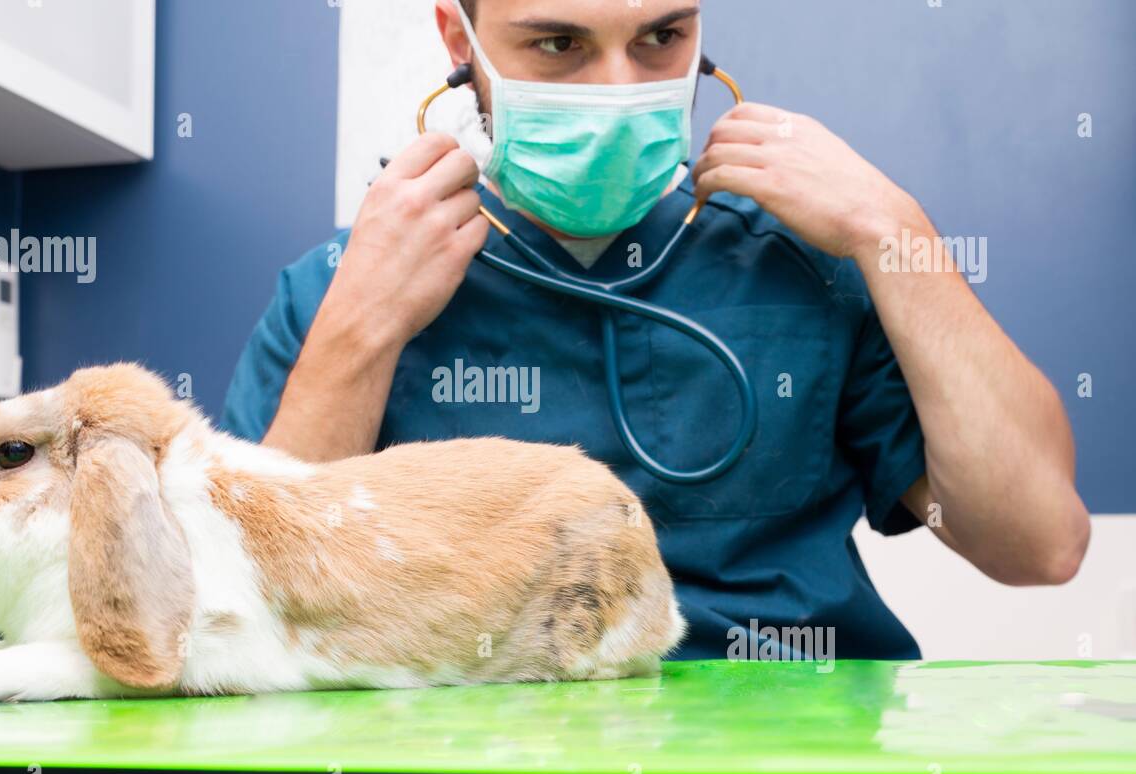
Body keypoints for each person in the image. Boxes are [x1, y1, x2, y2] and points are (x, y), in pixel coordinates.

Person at [222, 0, 1089, 659]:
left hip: (794, 742)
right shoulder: (341, 292)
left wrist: (894, 232)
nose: (619, 92)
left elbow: (1040, 542)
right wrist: (359, 335)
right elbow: (251, 619)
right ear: (460, 43)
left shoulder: (801, 265)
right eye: (559, 45)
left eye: (661, 38)